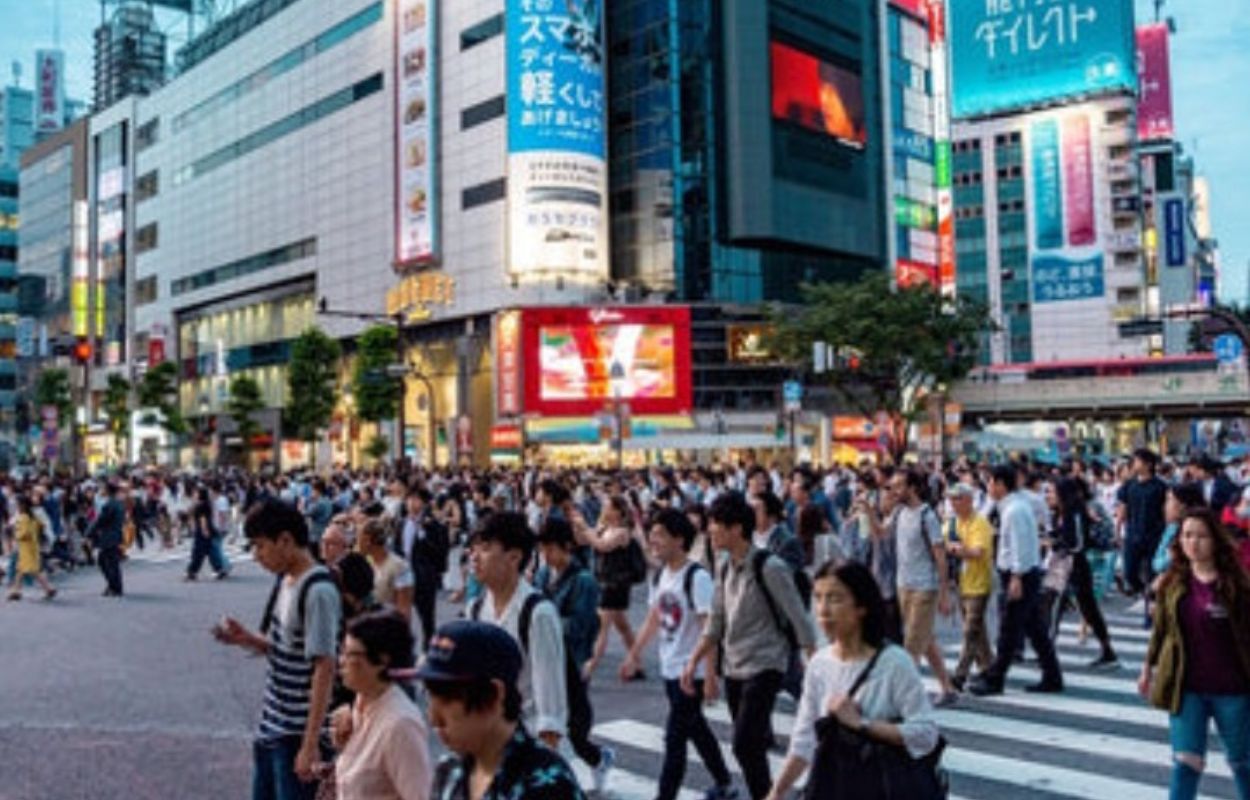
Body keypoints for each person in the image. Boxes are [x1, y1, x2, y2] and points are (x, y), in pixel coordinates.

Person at [681, 491, 817, 800]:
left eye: (716, 524)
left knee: (744, 743)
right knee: (750, 748)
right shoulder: (725, 568)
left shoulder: (770, 567)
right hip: (735, 667)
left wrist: (816, 667)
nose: (710, 530)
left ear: (736, 529)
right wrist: (694, 662)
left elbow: (799, 618)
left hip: (766, 664)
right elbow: (715, 622)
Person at [765, 561, 940, 800]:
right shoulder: (819, 664)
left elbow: (926, 734)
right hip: (833, 786)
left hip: (883, 788)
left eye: (835, 599)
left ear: (861, 607)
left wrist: (862, 724)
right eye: (818, 598)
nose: (823, 610)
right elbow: (803, 740)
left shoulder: (895, 663)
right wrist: (777, 792)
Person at [213, 499, 342, 800]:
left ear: (285, 540)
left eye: (260, 546)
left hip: (296, 734)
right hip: (272, 725)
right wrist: (246, 638)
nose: (257, 556)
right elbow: (289, 651)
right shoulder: (286, 580)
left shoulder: (318, 590)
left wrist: (309, 745)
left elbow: (325, 667)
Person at [620, 509, 737, 800]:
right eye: (652, 534)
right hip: (670, 668)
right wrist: (634, 654)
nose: (652, 540)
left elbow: (709, 629)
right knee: (696, 728)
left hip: (691, 673)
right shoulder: (660, 575)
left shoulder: (696, 577)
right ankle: (724, 782)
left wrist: (710, 675)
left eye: (659, 534)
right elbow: (653, 617)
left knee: (675, 739)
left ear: (679, 539)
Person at [1139, 508, 1250, 800]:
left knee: (1242, 762)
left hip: (1233, 688)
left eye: (1201, 535)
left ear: (1215, 540)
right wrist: (1147, 668)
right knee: (1186, 763)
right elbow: (1161, 631)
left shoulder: (1237, 584)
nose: (1194, 542)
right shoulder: (1172, 583)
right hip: (1186, 687)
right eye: (1187, 535)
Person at [421, 620, 586, 800]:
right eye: (430, 697)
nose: (434, 718)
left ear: (494, 695)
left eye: (447, 700)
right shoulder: (449, 769)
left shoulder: (546, 784)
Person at [466, 512, 570, 754]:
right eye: (473, 548)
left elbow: (550, 702)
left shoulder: (537, 613)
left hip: (528, 743)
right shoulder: (476, 609)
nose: (474, 557)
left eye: (485, 548)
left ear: (514, 557)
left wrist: (544, 760)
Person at [532, 516, 615, 789]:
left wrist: (546, 619)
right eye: (542, 550)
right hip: (545, 659)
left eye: (550, 549)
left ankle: (598, 759)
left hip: (572, 660)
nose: (545, 556)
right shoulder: (543, 574)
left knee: (576, 730)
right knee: (549, 724)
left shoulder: (584, 581)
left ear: (567, 546)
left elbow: (583, 625)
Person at [967, 465, 1064, 696]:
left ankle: (996, 678)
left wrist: (1016, 577)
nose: (988, 486)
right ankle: (1052, 676)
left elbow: (1020, 546)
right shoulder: (1011, 506)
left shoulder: (1014, 510)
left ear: (1001, 484)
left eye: (990, 482)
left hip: (1020, 574)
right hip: (1021, 573)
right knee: (1035, 629)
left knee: (1010, 629)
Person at [332, 610, 431, 800]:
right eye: (342, 651)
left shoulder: (400, 725)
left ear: (382, 661)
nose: (341, 661)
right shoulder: (361, 703)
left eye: (350, 654)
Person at [886, 470, 957, 706]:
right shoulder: (898, 512)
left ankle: (902, 702)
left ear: (912, 488)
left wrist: (944, 592)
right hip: (903, 584)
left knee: (912, 646)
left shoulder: (927, 516)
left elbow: (940, 556)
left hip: (924, 587)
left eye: (898, 486)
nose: (894, 491)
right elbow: (880, 534)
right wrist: (866, 511)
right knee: (925, 640)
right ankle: (947, 688)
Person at [1046, 477, 1119, 669]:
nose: (1048, 496)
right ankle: (1047, 650)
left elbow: (1077, 543)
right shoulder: (1058, 514)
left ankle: (1107, 650)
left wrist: (1054, 543)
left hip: (1076, 565)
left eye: (1052, 492)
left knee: (1085, 609)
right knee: (1054, 605)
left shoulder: (1075, 513)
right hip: (1062, 564)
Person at [577, 494, 643, 683]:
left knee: (602, 627)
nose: (604, 509)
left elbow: (602, 546)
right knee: (622, 626)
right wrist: (578, 526)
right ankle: (637, 662)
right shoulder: (605, 527)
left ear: (617, 511)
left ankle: (588, 669)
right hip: (606, 581)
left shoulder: (622, 532)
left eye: (607, 506)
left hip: (615, 583)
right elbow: (583, 540)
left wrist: (584, 528)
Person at [944, 483, 993, 691]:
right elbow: (941, 543)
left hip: (978, 581)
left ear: (970, 500)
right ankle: (989, 666)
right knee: (977, 629)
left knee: (970, 630)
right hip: (960, 582)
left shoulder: (979, 523)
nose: (954, 503)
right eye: (952, 499)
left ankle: (960, 675)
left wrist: (957, 550)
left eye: (958, 499)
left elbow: (978, 552)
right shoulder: (951, 523)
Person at [394, 487, 449, 650]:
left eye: (416, 499)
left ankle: (428, 651)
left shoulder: (433, 524)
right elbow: (398, 547)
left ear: (424, 503)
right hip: (403, 576)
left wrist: (423, 534)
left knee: (427, 618)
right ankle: (404, 650)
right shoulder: (402, 523)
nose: (412, 503)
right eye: (409, 499)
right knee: (401, 616)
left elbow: (440, 551)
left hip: (424, 575)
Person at [1118, 448, 1168, 597]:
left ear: (1148, 464)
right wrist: (1118, 530)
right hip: (1133, 534)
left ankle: (1152, 599)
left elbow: (1165, 512)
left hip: (1154, 535)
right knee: (1129, 572)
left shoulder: (1160, 487)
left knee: (1153, 572)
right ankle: (1142, 590)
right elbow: (1123, 508)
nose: (1133, 463)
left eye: (1137, 461)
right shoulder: (1129, 485)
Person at [358, 518, 414, 623]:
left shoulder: (400, 567)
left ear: (368, 540)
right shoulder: (366, 563)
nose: (357, 544)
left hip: (388, 627)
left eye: (359, 539)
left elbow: (404, 608)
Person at [6, 495, 57, 601]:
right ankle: (16, 591)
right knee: (21, 569)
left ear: (22, 505)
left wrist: (15, 534)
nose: (16, 507)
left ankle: (49, 589)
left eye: (18, 505)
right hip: (32, 546)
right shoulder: (33, 516)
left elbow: (24, 534)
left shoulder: (23, 518)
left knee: (33, 570)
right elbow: (41, 525)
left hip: (26, 547)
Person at [87, 482, 126, 598]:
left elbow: (100, 521)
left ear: (108, 491)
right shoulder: (119, 504)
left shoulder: (109, 505)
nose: (101, 491)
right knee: (111, 562)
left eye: (103, 489)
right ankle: (114, 586)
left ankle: (114, 586)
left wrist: (89, 533)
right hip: (116, 534)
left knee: (105, 561)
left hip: (108, 536)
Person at [186, 486, 229, 581]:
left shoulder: (201, 506)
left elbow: (203, 519)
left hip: (202, 531)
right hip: (207, 529)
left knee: (198, 552)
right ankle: (219, 569)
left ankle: (192, 572)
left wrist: (204, 530)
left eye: (196, 493)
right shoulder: (206, 504)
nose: (195, 494)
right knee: (211, 551)